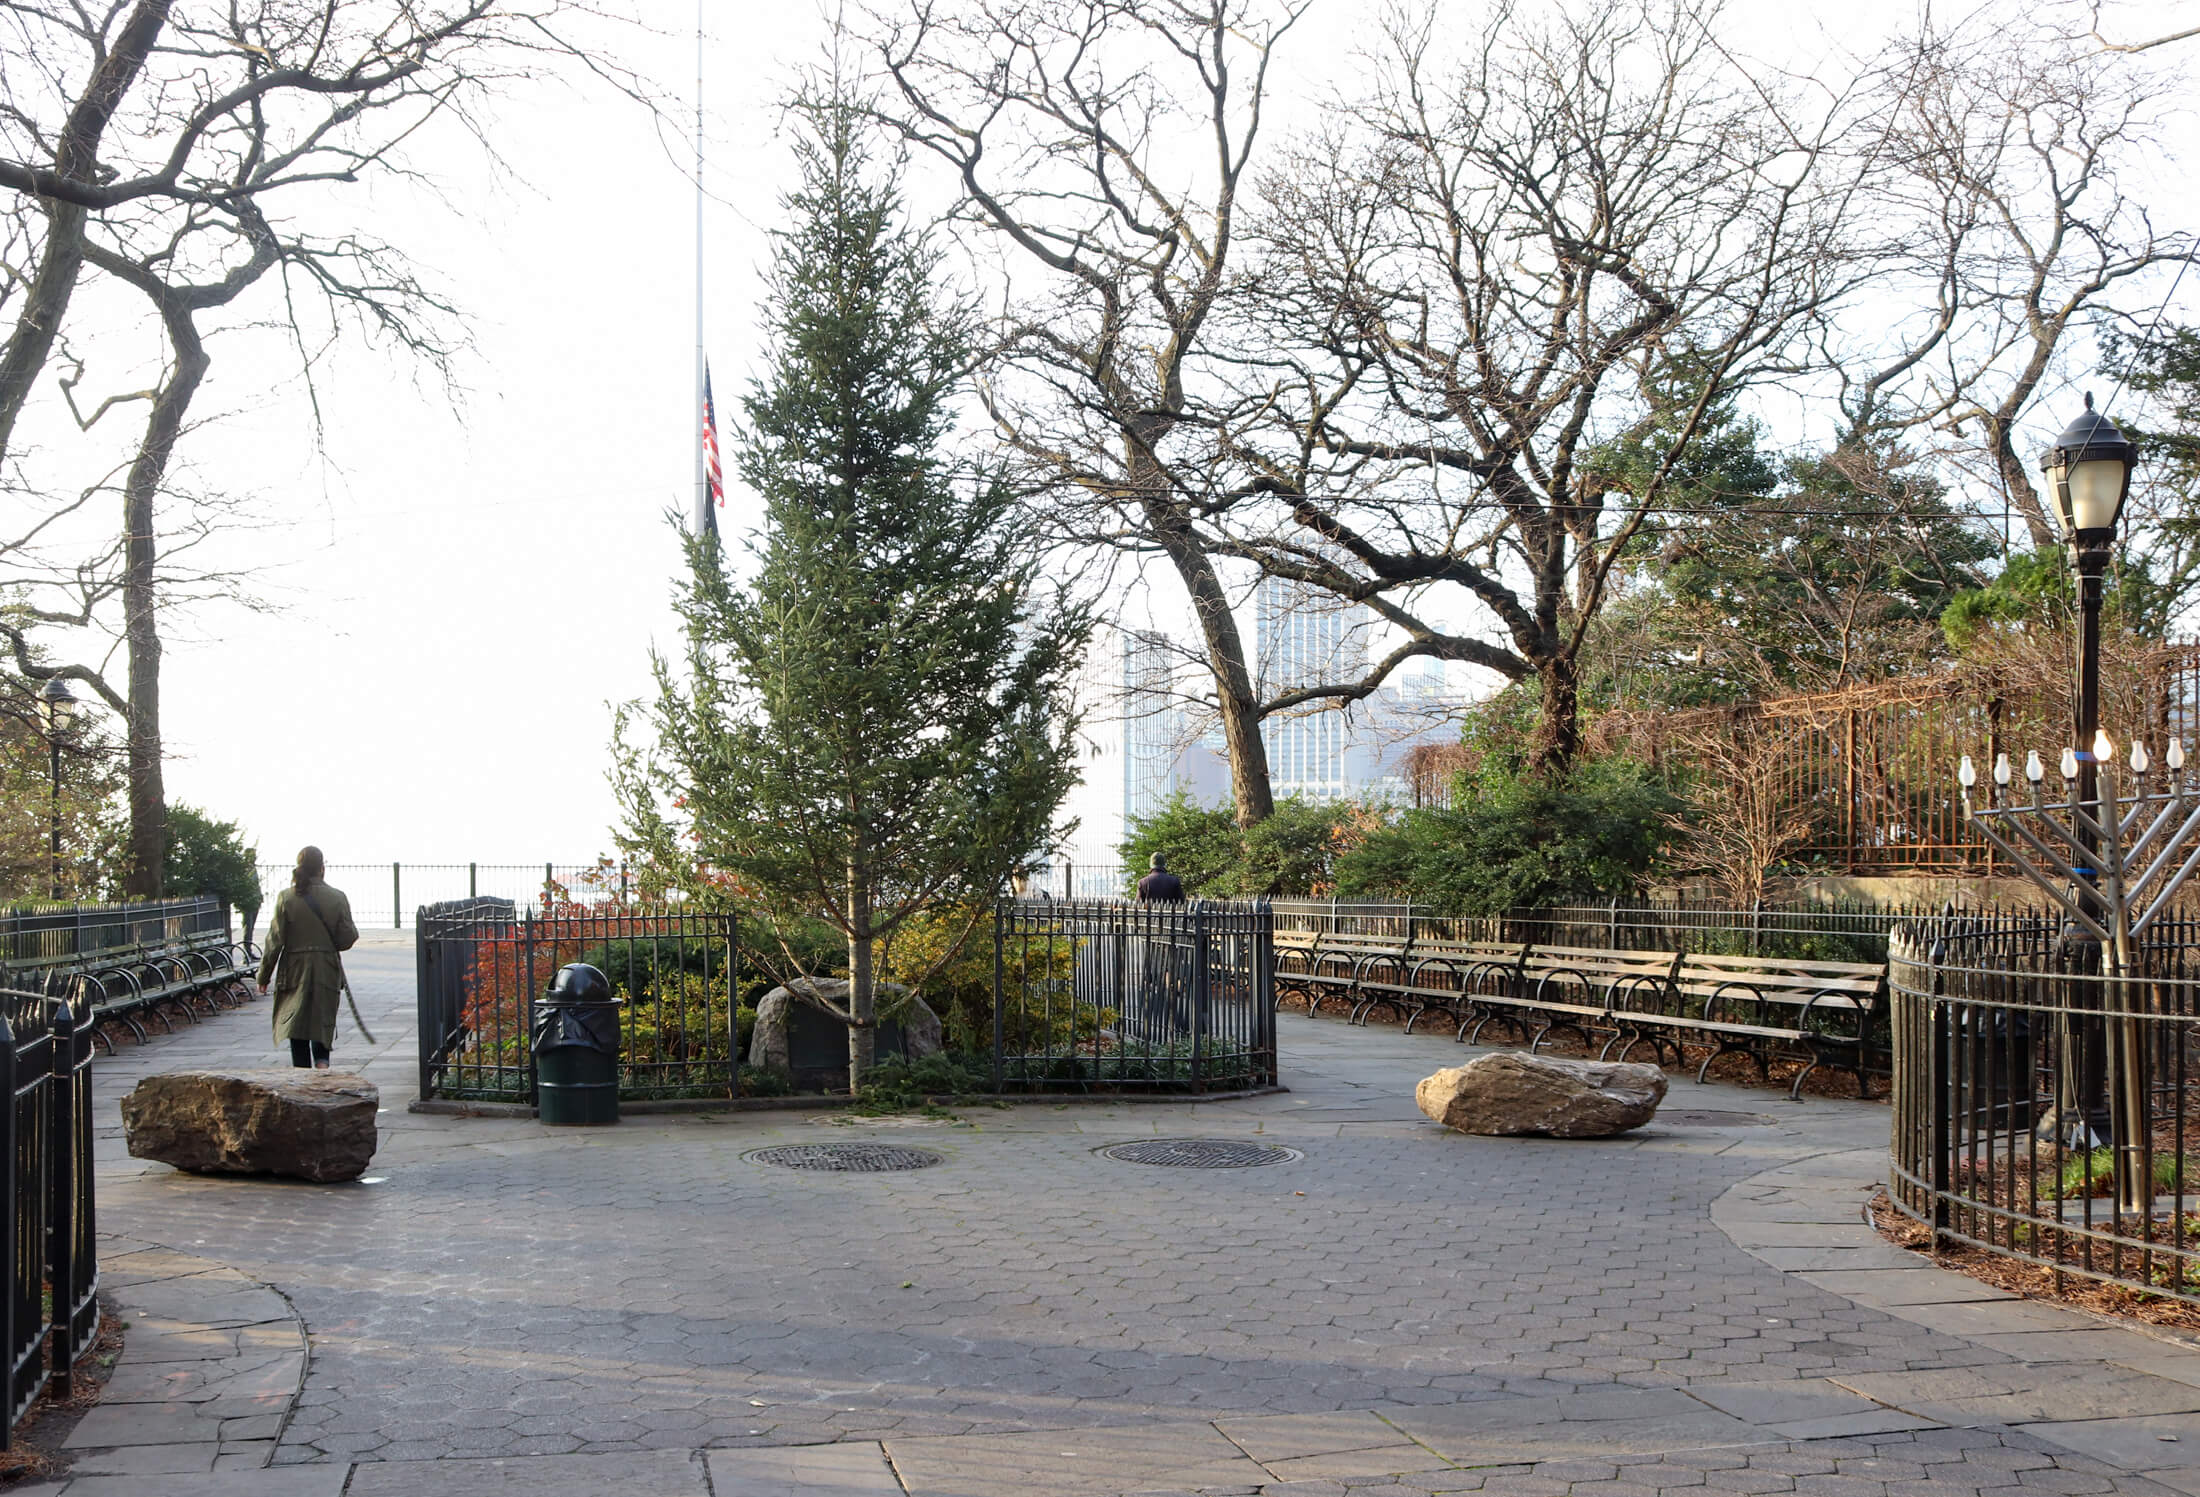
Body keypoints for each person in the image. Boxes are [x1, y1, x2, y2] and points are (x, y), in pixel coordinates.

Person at [256, 846, 358, 1069]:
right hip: (326, 968)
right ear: (322, 868)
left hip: (294, 969)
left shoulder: (286, 898)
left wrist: (263, 976)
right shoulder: (337, 897)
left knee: (296, 1023)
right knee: (321, 1021)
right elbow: (348, 938)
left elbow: (274, 941)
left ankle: (301, 1076)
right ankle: (322, 1067)